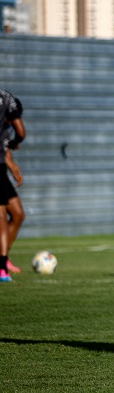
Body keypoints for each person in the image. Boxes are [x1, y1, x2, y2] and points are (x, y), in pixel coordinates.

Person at [0, 90, 25, 283]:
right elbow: (20, 134)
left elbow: (5, 149)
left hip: (2, 171)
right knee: (1, 214)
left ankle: (4, 258)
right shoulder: (5, 108)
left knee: (17, 214)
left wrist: (11, 165)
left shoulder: (6, 128)